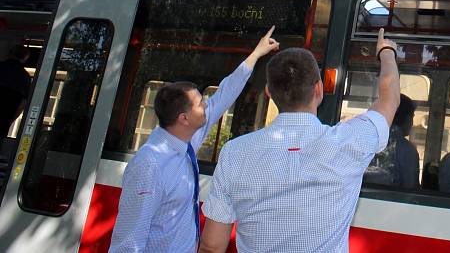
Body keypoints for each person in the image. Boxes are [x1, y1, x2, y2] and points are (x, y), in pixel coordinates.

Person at [199, 28, 400, 253]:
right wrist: (386, 52)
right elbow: (389, 100)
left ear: (269, 92)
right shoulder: (350, 143)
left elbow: (212, 246)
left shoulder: (235, 153)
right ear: (318, 90)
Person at [108, 26, 280, 253]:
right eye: (200, 103)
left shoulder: (185, 141)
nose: (207, 106)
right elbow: (128, 242)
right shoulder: (149, 166)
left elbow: (223, 96)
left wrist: (256, 55)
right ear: (184, 118)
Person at [364, 93, 419, 188]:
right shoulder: (406, 150)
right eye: (412, 117)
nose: (412, 124)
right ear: (405, 117)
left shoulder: (364, 140)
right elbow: (410, 188)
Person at [0, 44, 31, 137]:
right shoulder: (25, 77)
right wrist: (9, 121)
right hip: (4, 119)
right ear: (25, 59)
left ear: (10, 53)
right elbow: (22, 104)